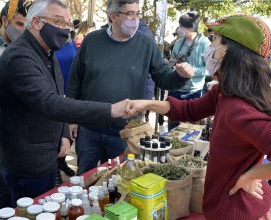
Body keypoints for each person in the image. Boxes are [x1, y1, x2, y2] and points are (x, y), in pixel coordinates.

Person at [126, 15, 271, 219]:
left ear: (227, 51)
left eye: (214, 40)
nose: (209, 46)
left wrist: (250, 176)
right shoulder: (226, 92)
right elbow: (190, 110)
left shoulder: (238, 109)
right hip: (232, 205)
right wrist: (147, 103)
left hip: (238, 211)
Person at [0, 0, 130, 205]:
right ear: (37, 22)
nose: (66, 29)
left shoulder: (46, 52)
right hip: (28, 164)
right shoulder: (20, 57)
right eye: (59, 22)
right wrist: (111, 109)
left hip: (47, 156)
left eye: (68, 24)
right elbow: (50, 104)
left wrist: (64, 134)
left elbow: (59, 94)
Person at [66, 0, 194, 175]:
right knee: (84, 177)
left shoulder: (146, 44)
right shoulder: (91, 41)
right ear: (113, 16)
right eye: (130, 14)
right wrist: (72, 118)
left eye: (137, 13)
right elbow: (75, 80)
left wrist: (180, 76)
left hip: (125, 131)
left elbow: (164, 78)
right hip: (89, 129)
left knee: (121, 179)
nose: (135, 19)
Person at [0, 0, 29, 216]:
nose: (23, 30)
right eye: (19, 24)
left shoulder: (22, 52)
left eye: (26, 25)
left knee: (14, 184)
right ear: (4, 21)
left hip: (18, 131)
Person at [168, 11, 211, 130]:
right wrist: (171, 64)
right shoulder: (178, 42)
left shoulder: (205, 44)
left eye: (182, 26)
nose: (179, 29)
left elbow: (209, 69)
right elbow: (172, 60)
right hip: (175, 89)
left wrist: (192, 71)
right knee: (172, 128)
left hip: (193, 92)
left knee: (189, 130)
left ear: (190, 28)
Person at [54, 24, 78, 181]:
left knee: (68, 132)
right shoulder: (48, 43)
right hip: (53, 94)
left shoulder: (70, 41)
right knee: (55, 132)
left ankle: (62, 162)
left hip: (69, 94)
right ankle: (54, 169)